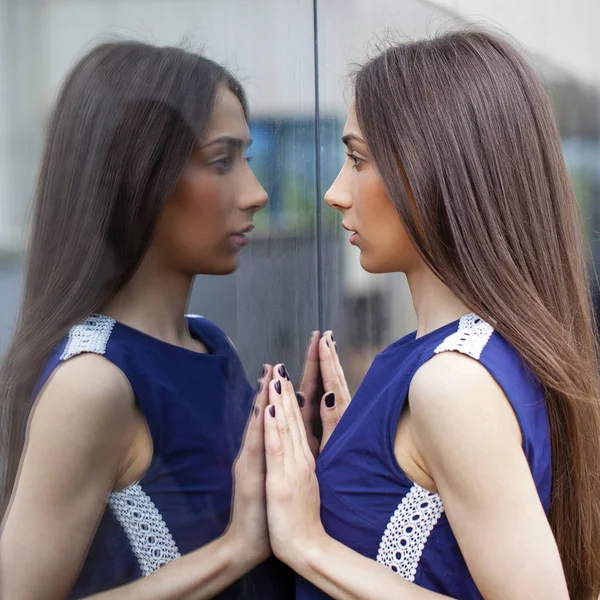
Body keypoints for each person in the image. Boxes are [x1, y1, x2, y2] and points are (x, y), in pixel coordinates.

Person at [262, 30, 600, 600]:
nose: (335, 192)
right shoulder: (449, 358)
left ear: (435, 171)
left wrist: (306, 544)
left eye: (356, 158)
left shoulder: (453, 381)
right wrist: (357, 458)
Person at [0, 41, 295, 599]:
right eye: (220, 161)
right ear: (139, 177)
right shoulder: (94, 383)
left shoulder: (210, 344)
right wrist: (235, 550)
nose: (255, 193)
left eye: (246, 159)